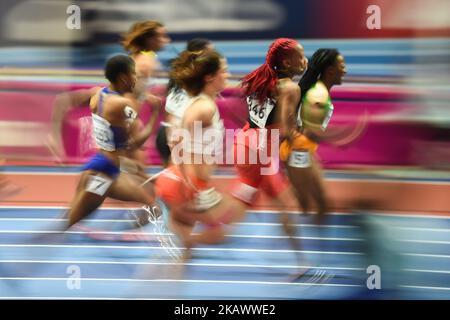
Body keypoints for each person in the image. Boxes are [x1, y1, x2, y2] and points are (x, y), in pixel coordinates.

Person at [231, 38, 308, 267]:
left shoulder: (262, 81)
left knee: (246, 199)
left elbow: (249, 113)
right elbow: (285, 127)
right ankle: (301, 264)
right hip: (262, 150)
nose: (305, 60)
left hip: (245, 142)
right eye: (301, 56)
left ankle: (198, 228)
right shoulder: (290, 88)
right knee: (286, 203)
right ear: (286, 62)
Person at [66, 54, 157, 228]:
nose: (136, 79)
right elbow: (136, 143)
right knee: (154, 205)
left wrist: (135, 169)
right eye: (134, 74)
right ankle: (123, 229)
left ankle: (123, 230)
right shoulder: (122, 104)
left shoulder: (98, 94)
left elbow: (116, 143)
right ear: (124, 77)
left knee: (72, 218)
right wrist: (154, 114)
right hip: (106, 173)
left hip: (101, 164)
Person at [279, 48, 349, 224]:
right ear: (330, 70)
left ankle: (290, 209)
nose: (345, 70)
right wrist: (339, 137)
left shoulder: (318, 90)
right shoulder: (318, 95)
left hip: (299, 150)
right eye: (342, 66)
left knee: (311, 202)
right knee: (318, 203)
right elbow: (310, 132)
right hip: (299, 151)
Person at [155, 38, 214, 167]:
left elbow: (169, 111)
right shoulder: (198, 81)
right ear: (199, 54)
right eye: (210, 52)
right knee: (182, 181)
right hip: (177, 134)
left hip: (166, 132)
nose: (213, 56)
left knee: (171, 180)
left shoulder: (178, 75)